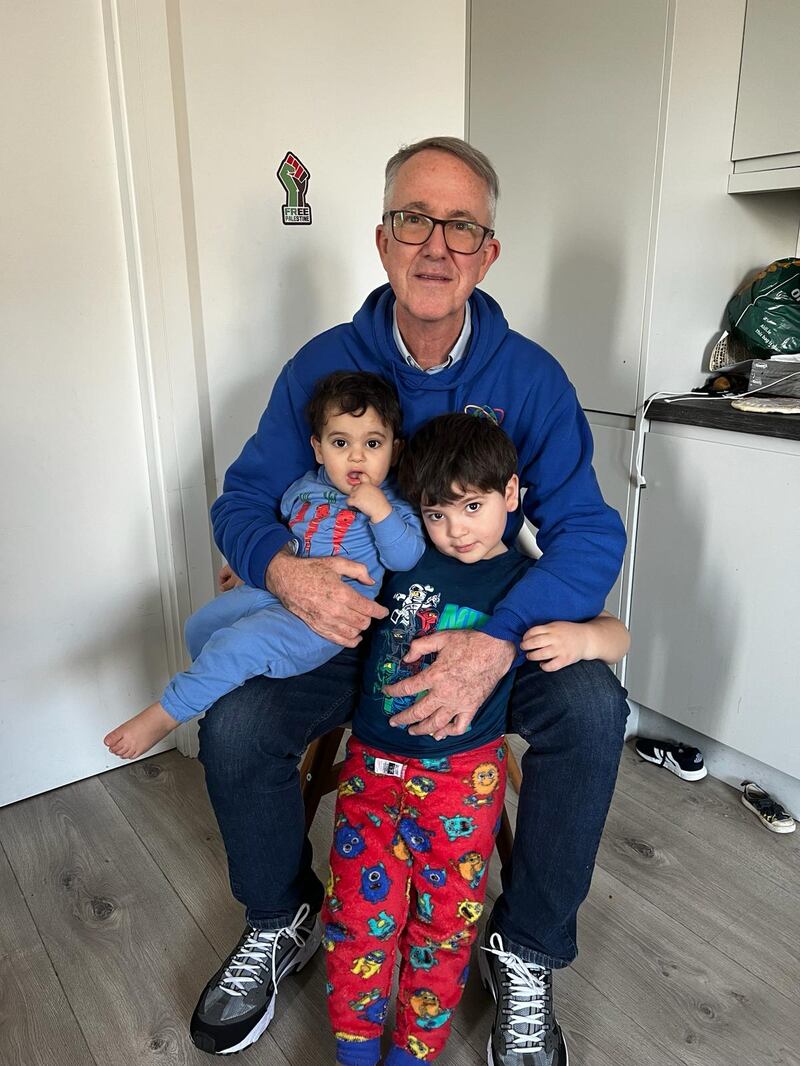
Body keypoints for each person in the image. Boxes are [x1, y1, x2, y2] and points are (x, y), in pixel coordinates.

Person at [189, 136, 630, 1066]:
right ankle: (283, 916)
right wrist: (283, 571)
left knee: (593, 709)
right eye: (413, 219)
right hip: (342, 634)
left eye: (461, 225)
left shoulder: (531, 379)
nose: (436, 244)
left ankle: (525, 948)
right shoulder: (321, 362)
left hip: (478, 627)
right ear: (382, 240)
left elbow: (589, 533)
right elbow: (240, 501)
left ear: (489, 252)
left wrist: (502, 639)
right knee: (234, 722)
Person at [322, 414, 629, 1066]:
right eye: (437, 512)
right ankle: (353, 1054)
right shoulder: (398, 558)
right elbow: (329, 570)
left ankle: (412, 1056)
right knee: (354, 924)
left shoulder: (525, 582)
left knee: (442, 929)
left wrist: (584, 640)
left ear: (511, 495)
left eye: (472, 506)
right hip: (371, 776)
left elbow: (616, 633)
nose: (456, 528)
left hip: (462, 788)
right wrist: (262, 578)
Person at [103, 371, 424, 760]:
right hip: (274, 592)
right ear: (319, 449)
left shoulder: (395, 504)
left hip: (323, 621)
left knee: (239, 644)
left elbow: (405, 556)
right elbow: (284, 534)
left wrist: (381, 512)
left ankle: (168, 712)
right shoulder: (304, 488)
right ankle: (224, 676)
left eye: (373, 443)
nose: (356, 455)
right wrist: (248, 566)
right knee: (200, 626)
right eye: (341, 442)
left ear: (395, 449)